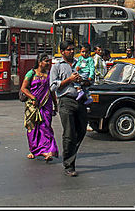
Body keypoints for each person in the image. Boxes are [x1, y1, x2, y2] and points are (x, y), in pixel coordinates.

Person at [50, 40, 89, 177]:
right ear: (62, 51)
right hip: (66, 101)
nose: (71, 52)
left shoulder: (80, 63)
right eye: (68, 49)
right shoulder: (57, 66)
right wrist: (69, 80)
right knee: (69, 133)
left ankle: (71, 152)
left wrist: (82, 80)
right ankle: (69, 164)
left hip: (80, 99)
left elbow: (88, 78)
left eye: (73, 49)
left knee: (81, 130)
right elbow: (53, 86)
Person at [20, 53, 59, 162]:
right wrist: (33, 98)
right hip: (33, 106)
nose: (48, 63)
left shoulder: (49, 75)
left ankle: (48, 150)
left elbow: (52, 91)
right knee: (32, 128)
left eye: (48, 61)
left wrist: (55, 105)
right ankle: (34, 150)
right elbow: (24, 88)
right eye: (46, 61)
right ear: (39, 62)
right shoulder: (31, 73)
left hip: (46, 105)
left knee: (46, 127)